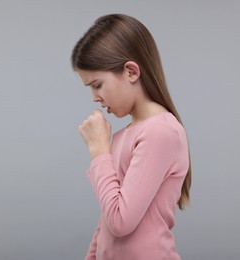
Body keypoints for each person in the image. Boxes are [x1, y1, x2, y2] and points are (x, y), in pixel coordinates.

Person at [71, 14, 191, 260]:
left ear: (131, 72)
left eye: (97, 85)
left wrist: (98, 151)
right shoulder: (124, 135)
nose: (95, 97)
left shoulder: (161, 132)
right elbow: (107, 219)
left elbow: (121, 221)